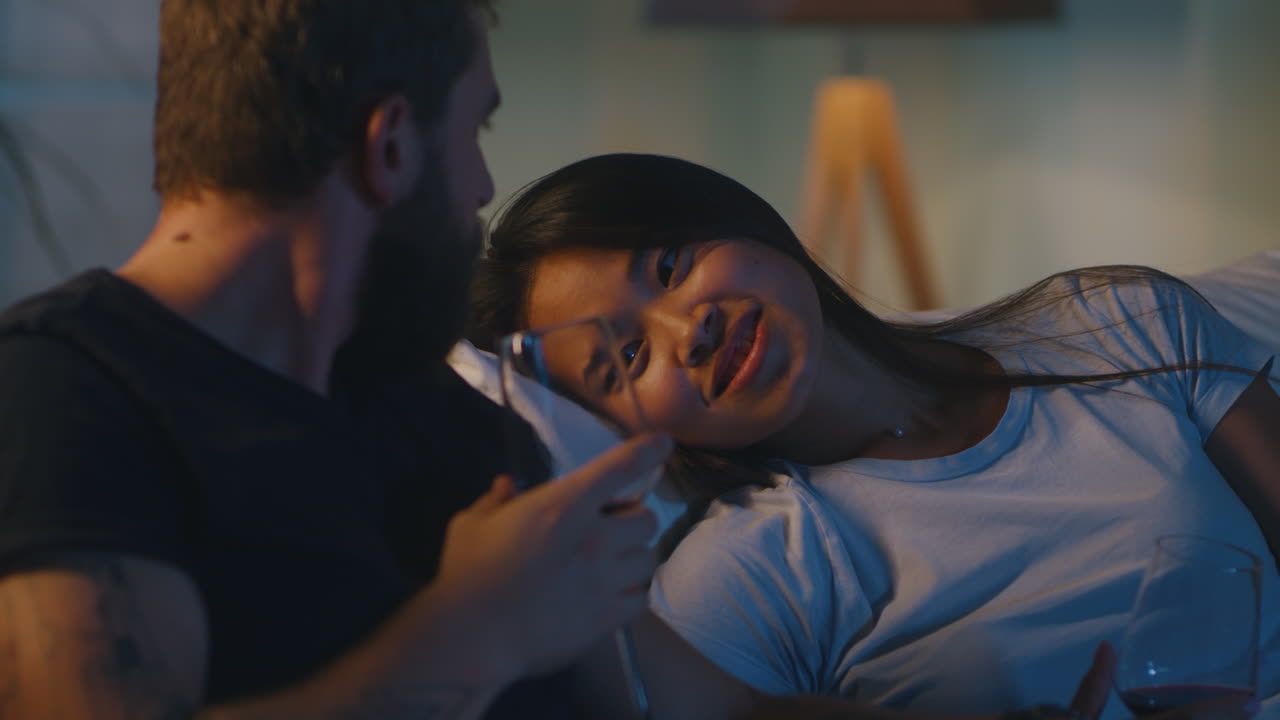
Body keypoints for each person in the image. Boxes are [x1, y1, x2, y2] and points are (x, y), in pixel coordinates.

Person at [0, 3, 670, 718]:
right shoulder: (63, 394)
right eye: (477, 131)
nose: (482, 187)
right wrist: (480, 633)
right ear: (391, 146)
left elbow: (694, 701)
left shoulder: (448, 417)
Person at [469, 153, 1280, 719]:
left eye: (671, 267)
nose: (692, 331)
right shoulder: (741, 580)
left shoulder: (1115, 322)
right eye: (630, 356)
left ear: (735, 221)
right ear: (625, 427)